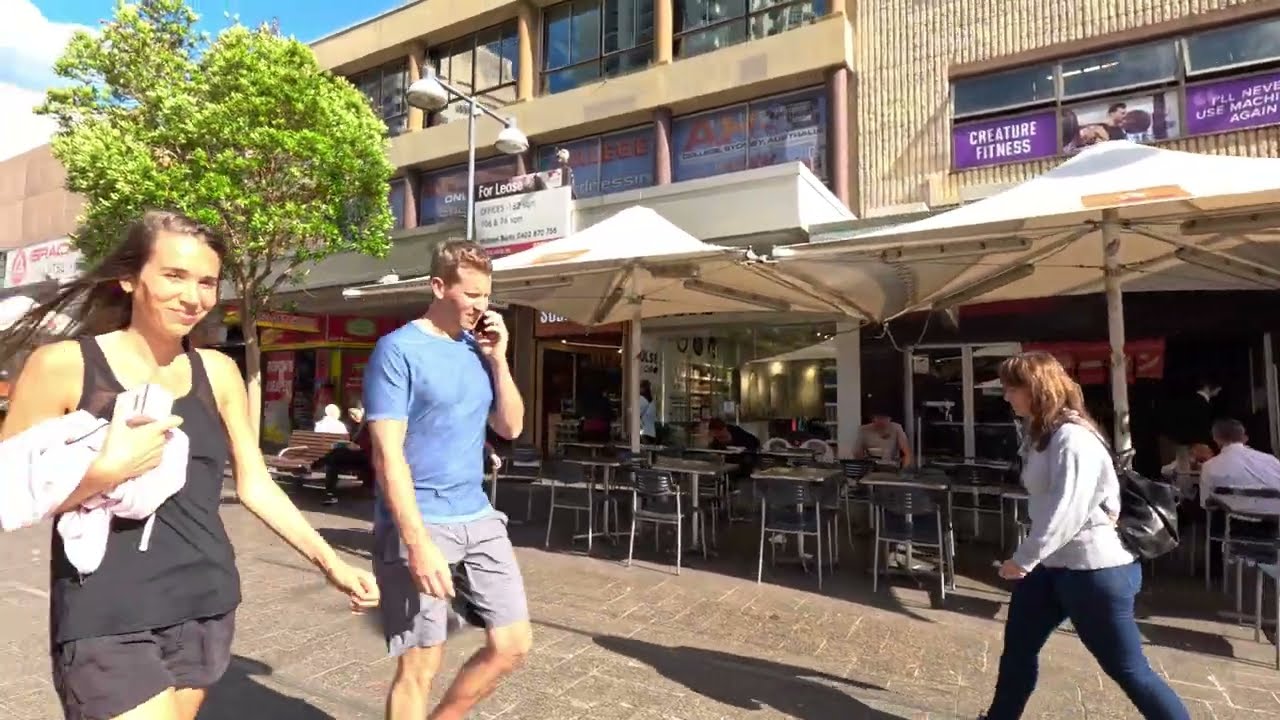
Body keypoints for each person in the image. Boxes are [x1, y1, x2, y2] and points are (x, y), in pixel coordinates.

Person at [0, 210, 379, 720]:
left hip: (205, 599)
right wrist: (102, 475)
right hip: (105, 609)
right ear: (130, 278)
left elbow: (256, 484)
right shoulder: (64, 365)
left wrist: (332, 563)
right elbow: (7, 492)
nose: (193, 296)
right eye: (174, 276)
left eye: (206, 282)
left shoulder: (218, 370)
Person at [363, 240, 531, 720]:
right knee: (421, 664)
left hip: (477, 514)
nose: (481, 306)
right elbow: (387, 456)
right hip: (421, 520)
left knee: (513, 643)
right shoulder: (397, 350)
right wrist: (416, 544)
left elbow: (511, 427)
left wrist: (499, 359)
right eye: (471, 295)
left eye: (487, 296)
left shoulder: (477, 350)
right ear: (438, 286)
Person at [981, 351, 1188, 720]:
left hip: (1094, 570)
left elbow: (1067, 510)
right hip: (1054, 564)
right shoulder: (1040, 435)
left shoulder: (1072, 438)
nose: (1006, 396)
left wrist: (1023, 559)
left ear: (1036, 389)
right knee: (1018, 649)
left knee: (1128, 669)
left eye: (1012, 388)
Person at [1199, 418, 1280, 506]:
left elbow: (1207, 504)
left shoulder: (1209, 467)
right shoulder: (1271, 460)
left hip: (1235, 516)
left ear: (1215, 439)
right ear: (1243, 437)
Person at [638, 379, 657, 445]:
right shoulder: (651, 401)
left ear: (642, 388)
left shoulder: (642, 400)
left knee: (644, 452)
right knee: (650, 452)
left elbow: (636, 414)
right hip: (651, 432)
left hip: (644, 432)